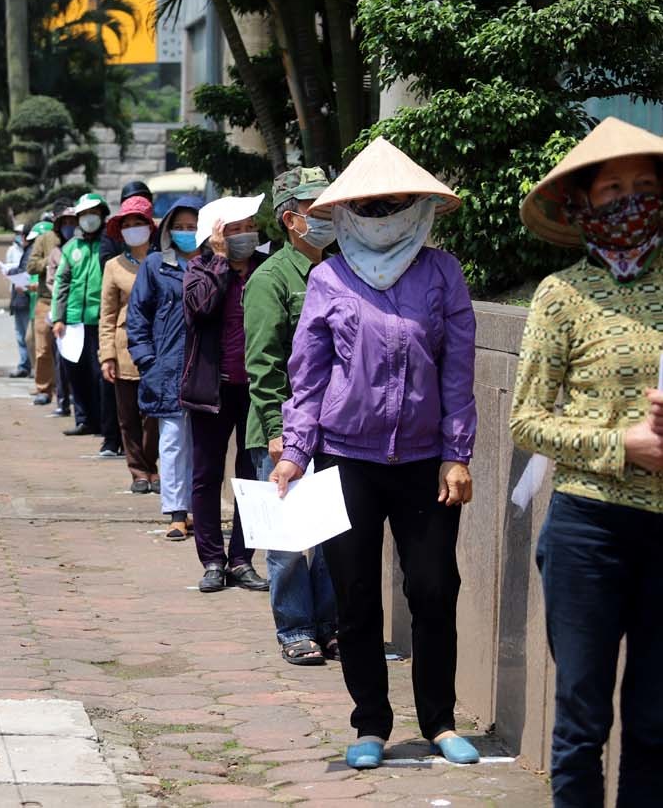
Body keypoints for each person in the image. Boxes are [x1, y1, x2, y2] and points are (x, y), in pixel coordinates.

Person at [269, 137, 477, 771]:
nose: (384, 211)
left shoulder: (442, 273)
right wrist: (294, 453)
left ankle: (439, 720)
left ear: (417, 207)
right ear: (349, 212)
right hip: (346, 457)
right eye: (371, 203)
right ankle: (371, 723)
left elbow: (458, 371)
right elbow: (307, 374)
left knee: (435, 588)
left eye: (395, 202)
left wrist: (456, 451)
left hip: (425, 461)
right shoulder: (328, 276)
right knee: (355, 592)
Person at [510, 117, 663, 806]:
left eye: (643, 185)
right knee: (581, 718)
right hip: (588, 531)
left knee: (658, 724)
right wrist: (619, 446)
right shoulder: (560, 294)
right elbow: (525, 419)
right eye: (612, 189)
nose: (629, 199)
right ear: (582, 202)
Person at [243, 168, 339, 666]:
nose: (328, 218)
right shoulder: (270, 279)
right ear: (291, 218)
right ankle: (295, 629)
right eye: (316, 210)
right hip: (280, 429)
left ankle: (329, 624)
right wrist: (280, 431)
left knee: (328, 532)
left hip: (333, 426)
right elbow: (262, 361)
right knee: (286, 538)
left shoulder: (339, 269)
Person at [183, 197, 270, 594]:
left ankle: (241, 559)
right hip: (211, 389)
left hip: (255, 389)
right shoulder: (198, 270)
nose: (244, 234)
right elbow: (201, 309)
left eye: (248, 225)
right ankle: (212, 560)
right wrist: (219, 262)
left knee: (251, 477)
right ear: (215, 236)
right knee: (206, 476)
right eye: (233, 229)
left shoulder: (265, 271)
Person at [129, 196, 204, 538]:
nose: (187, 233)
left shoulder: (213, 263)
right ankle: (177, 511)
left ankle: (199, 509)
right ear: (169, 230)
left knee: (202, 443)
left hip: (205, 367)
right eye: (181, 227)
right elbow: (138, 315)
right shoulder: (156, 265)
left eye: (194, 227)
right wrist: (147, 360)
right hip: (167, 367)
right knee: (172, 441)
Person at [100, 195, 159, 493]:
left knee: (155, 417)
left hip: (159, 348)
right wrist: (106, 355)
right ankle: (138, 471)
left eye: (139, 223)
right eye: (128, 224)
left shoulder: (165, 262)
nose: (134, 229)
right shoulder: (114, 266)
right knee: (128, 417)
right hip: (123, 350)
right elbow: (107, 315)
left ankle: (153, 465)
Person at [52, 193, 109, 439]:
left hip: (99, 320)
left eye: (94, 214)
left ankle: (103, 423)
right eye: (84, 214)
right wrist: (58, 318)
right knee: (76, 372)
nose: (89, 219)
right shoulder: (71, 248)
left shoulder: (109, 245)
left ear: (102, 216)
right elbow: (61, 284)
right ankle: (84, 420)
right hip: (73, 321)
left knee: (100, 374)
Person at [27, 209, 70, 409]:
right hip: (46, 300)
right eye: (65, 221)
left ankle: (68, 393)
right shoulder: (44, 240)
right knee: (43, 349)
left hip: (71, 301)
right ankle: (44, 389)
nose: (69, 226)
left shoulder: (80, 242)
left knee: (70, 352)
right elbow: (31, 265)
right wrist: (51, 261)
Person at [5, 223, 32, 379]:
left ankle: (29, 365)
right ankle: (24, 364)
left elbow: (24, 272)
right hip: (17, 295)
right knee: (20, 334)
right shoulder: (13, 250)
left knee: (28, 335)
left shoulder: (30, 251)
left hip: (26, 295)